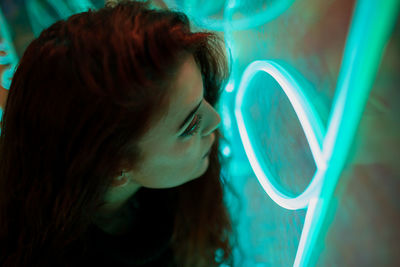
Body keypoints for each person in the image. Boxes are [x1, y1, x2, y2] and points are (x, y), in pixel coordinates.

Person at [0, 1, 237, 266]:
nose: (215, 120)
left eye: (203, 94)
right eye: (189, 126)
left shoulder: (179, 186)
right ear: (114, 168)